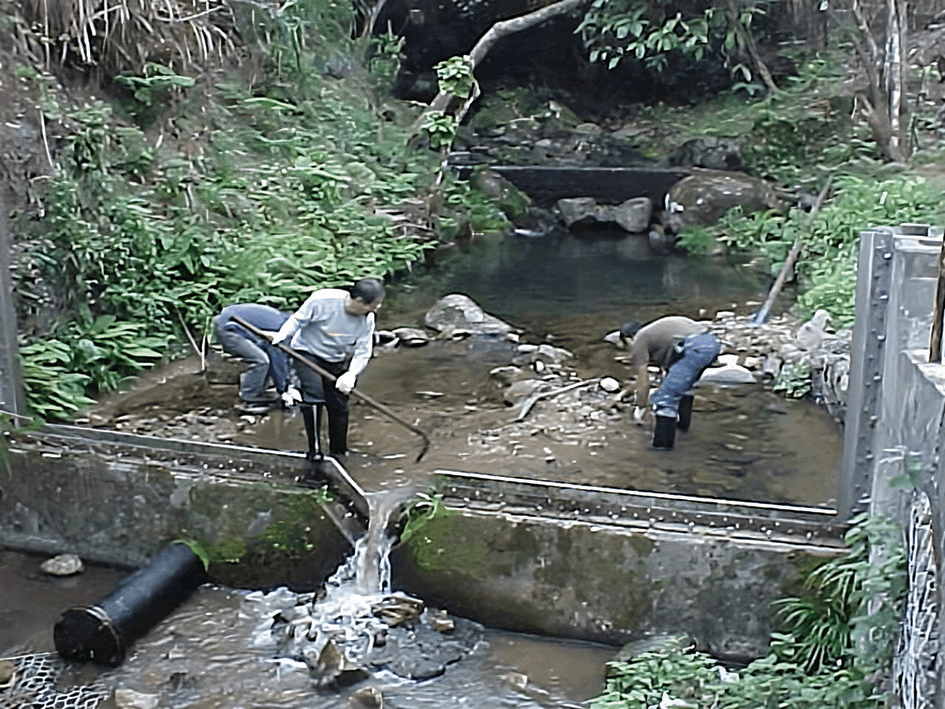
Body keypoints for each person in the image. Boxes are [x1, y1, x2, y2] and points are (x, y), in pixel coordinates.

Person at [272, 277, 385, 460]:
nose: (377, 308)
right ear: (358, 301)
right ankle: (314, 451)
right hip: (306, 352)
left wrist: (351, 374)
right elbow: (298, 320)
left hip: (335, 359)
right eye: (375, 304)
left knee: (339, 405)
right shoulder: (322, 300)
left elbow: (363, 351)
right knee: (315, 396)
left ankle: (338, 452)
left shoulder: (368, 319)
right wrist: (283, 334)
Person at [617, 315, 721, 450]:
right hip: (711, 342)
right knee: (685, 388)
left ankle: (662, 450)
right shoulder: (656, 334)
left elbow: (644, 382)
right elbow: (668, 373)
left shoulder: (639, 339)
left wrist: (640, 409)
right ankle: (683, 429)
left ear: (628, 338)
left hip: (694, 347)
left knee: (664, 400)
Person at [212, 304, 300, 414]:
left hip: (233, 321)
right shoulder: (286, 332)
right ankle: (248, 398)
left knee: (266, 357)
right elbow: (278, 360)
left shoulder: (289, 322)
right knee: (261, 361)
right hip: (229, 327)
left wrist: (285, 384)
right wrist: (284, 388)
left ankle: (258, 391)